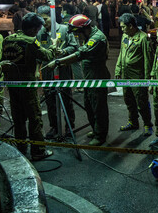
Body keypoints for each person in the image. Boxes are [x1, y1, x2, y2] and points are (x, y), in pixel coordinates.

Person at [44, 14, 111, 145]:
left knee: (98, 107)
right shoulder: (89, 35)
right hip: (89, 77)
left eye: (77, 33)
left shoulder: (96, 39)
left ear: (83, 29)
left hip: (97, 76)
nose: (78, 37)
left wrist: (58, 62)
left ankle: (100, 135)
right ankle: (95, 129)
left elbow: (80, 54)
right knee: (89, 105)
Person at [2, 12, 58, 160]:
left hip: (12, 85)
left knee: (18, 119)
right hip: (28, 86)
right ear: (33, 29)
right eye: (38, 29)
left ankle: (21, 148)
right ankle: (38, 151)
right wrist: (54, 45)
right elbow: (46, 56)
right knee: (35, 118)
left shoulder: (7, 39)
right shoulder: (30, 41)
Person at [36, 5, 79, 138]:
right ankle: (54, 126)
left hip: (63, 69)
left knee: (66, 100)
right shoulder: (40, 33)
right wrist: (37, 70)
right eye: (41, 20)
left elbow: (75, 47)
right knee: (50, 101)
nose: (43, 23)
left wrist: (64, 51)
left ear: (52, 16)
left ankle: (69, 127)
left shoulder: (65, 29)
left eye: (45, 19)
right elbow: (37, 54)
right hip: (47, 71)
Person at [115, 13, 155, 135]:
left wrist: (148, 80)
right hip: (126, 75)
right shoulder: (125, 36)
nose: (122, 29)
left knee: (141, 102)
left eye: (123, 27)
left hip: (138, 76)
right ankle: (133, 122)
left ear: (131, 26)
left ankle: (147, 124)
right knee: (128, 99)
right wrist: (118, 69)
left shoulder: (143, 38)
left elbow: (148, 60)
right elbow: (122, 53)